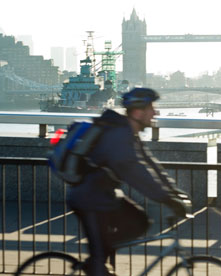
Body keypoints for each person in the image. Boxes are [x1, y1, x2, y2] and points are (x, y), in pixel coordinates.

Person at [66, 87, 190, 276]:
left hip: (104, 195)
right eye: (151, 108)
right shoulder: (118, 136)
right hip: (89, 199)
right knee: (99, 260)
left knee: (140, 222)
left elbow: (150, 164)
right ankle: (97, 262)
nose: (155, 112)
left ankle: (100, 254)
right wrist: (166, 198)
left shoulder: (129, 132)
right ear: (138, 112)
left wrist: (174, 192)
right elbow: (135, 173)